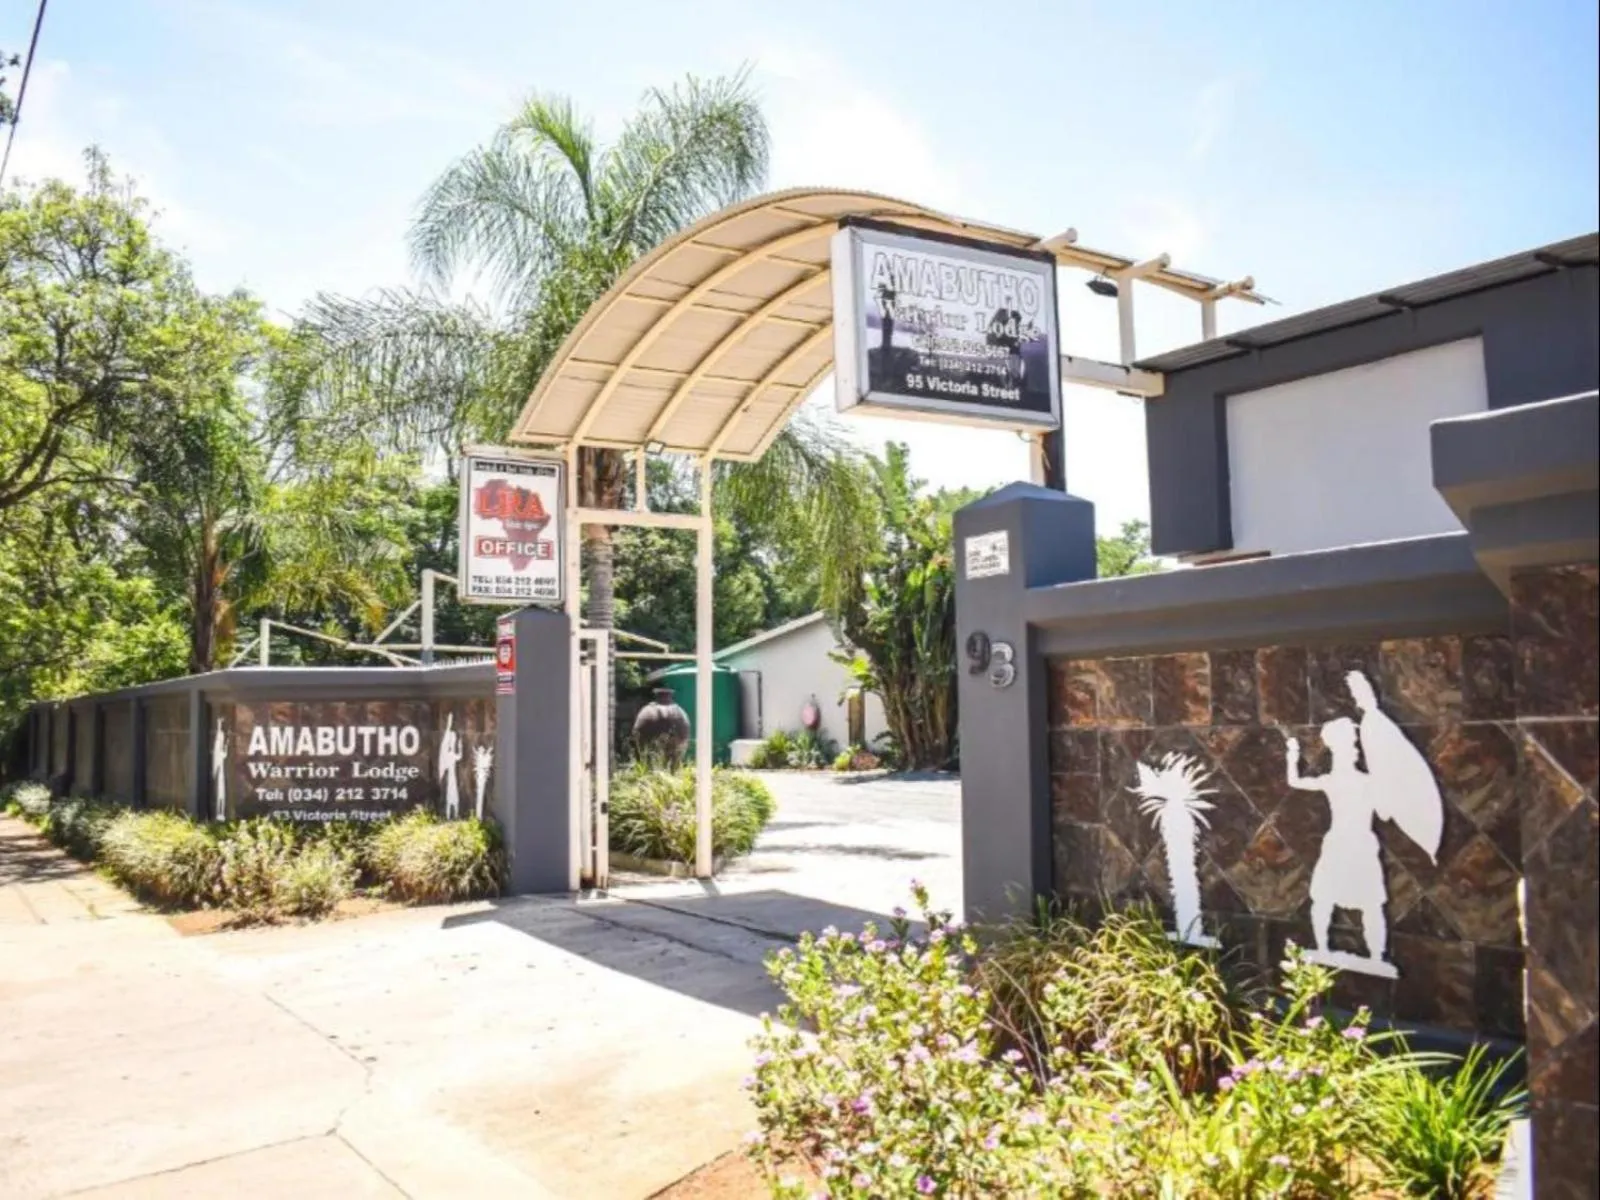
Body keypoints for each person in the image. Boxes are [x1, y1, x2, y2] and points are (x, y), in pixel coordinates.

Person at [1285, 716, 1390, 966]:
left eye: (1352, 747)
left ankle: (1375, 955)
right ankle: (1327, 948)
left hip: (1357, 843)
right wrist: (1292, 756)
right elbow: (1295, 782)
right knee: (1327, 897)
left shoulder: (1363, 781)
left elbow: (1384, 809)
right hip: (1341, 843)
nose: (1352, 751)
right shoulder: (1340, 781)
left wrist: (1292, 756)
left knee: (1369, 902)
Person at [438, 715, 463, 820]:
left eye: (454, 739)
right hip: (450, 778)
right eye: (452, 739)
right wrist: (449, 723)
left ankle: (455, 816)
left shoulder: (451, 754)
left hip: (453, 778)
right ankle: (449, 817)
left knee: (454, 797)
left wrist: (460, 746)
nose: (453, 740)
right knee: (450, 797)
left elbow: (459, 756)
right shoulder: (447, 754)